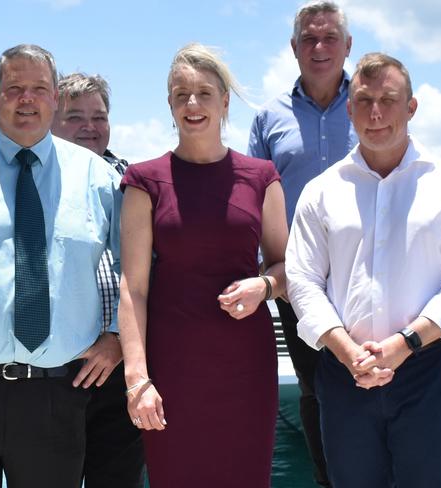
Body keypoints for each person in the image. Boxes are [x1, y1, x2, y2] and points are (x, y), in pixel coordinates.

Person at [286, 52, 441, 488]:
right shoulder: (321, 193)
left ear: (411, 107)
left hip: (426, 371)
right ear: (349, 109)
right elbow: (303, 281)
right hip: (344, 372)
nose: (375, 113)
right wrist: (345, 351)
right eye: (363, 100)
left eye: (388, 99)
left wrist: (406, 343)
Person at [118, 43, 288, 487]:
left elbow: (287, 268)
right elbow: (132, 287)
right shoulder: (144, 180)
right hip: (171, 367)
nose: (192, 104)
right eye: (181, 94)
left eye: (204, 93)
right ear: (170, 104)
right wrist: (138, 379)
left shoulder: (261, 176)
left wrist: (263, 288)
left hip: (246, 368)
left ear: (225, 101)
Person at [0, 44, 122, 488]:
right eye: (15, 87)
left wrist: (116, 336)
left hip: (57, 397)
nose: (27, 98)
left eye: (39, 88)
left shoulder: (99, 178)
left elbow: (139, 270)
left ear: (55, 97)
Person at [248, 2, 357, 484]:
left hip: (370, 275)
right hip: (299, 283)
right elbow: (252, 201)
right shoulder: (269, 118)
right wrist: (271, 278)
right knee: (315, 391)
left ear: (347, 46)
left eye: (330, 38)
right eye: (309, 40)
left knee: (375, 383)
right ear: (294, 49)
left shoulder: (373, 102)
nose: (319, 48)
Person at [51, 72, 145, 488]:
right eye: (74, 116)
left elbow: (150, 272)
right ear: (52, 118)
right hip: (50, 372)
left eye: (99, 116)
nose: (89, 126)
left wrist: (117, 341)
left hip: (120, 361)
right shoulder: (31, 180)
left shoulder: (136, 183)